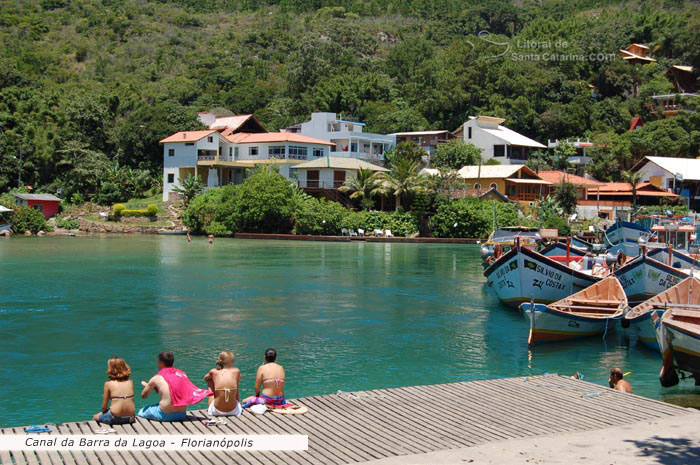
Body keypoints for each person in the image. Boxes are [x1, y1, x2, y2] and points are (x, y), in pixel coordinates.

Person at [138, 352, 212, 422]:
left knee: (141, 411)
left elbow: (144, 396)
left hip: (165, 415)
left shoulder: (157, 378)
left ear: (160, 363)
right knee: (159, 404)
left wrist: (148, 386)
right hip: (181, 414)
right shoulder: (181, 374)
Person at [92, 357, 135, 425]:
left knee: (95, 416)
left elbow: (104, 407)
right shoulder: (130, 382)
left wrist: (102, 413)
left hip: (115, 418)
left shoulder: (108, 384)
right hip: (131, 418)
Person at [204, 351, 242, 417]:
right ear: (231, 362)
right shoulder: (236, 371)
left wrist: (214, 376)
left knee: (210, 381)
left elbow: (205, 378)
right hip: (234, 411)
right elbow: (240, 378)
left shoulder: (214, 371)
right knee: (236, 381)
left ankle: (212, 406)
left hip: (216, 411)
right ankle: (238, 404)